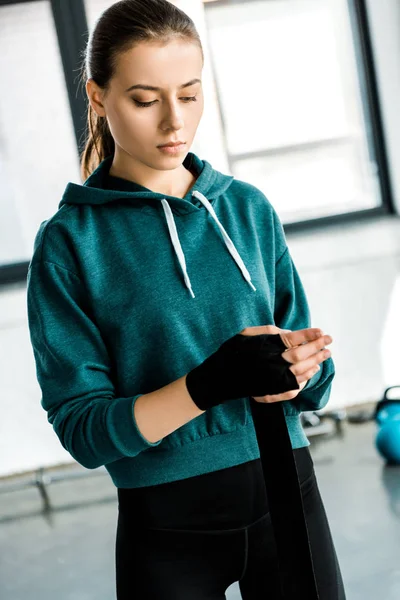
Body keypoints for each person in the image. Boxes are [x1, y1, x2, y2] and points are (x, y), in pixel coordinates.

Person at [26, 0, 346, 598]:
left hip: (289, 491)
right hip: (166, 524)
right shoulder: (70, 244)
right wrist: (207, 384)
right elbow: (83, 431)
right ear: (98, 97)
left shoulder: (247, 208)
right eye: (145, 100)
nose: (174, 121)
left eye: (191, 94)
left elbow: (316, 383)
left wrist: (304, 367)